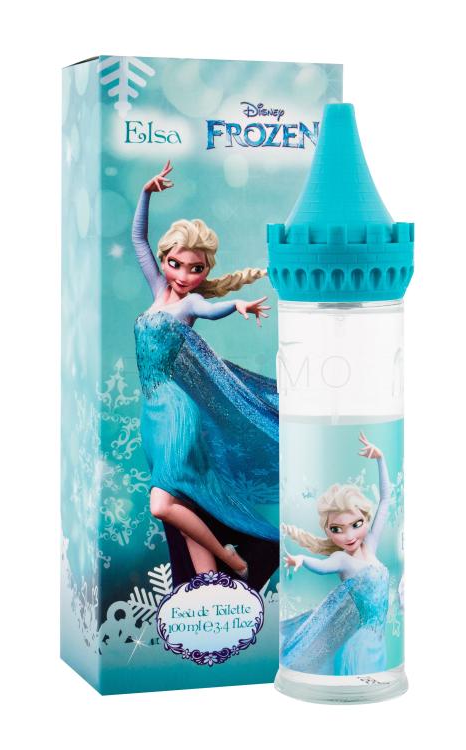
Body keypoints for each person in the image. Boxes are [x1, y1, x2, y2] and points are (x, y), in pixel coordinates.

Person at [131, 160, 279, 589]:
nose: (184, 276)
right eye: (176, 264)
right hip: (152, 413)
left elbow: (212, 310)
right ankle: (210, 587)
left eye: (196, 269)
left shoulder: (189, 304)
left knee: (162, 504)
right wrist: (145, 193)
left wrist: (238, 305)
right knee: (184, 507)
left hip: (177, 410)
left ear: (206, 272)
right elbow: (138, 239)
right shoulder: (159, 291)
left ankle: (231, 559)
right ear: (165, 261)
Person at [280, 432, 392, 675]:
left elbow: (385, 500)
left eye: (356, 524)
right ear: (328, 531)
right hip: (360, 642)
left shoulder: (370, 545)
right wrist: (301, 559)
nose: (348, 536)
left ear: (365, 519)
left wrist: (380, 459)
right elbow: (322, 567)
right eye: (336, 530)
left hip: (377, 637)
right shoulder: (342, 559)